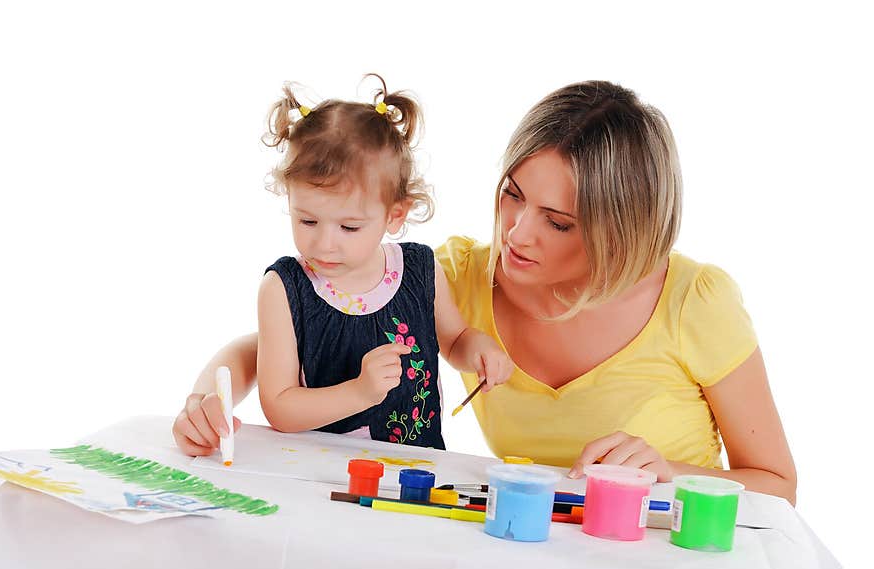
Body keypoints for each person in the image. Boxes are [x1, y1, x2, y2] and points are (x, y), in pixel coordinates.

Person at [174, 80, 797, 505]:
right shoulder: (459, 278)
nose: (517, 234)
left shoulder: (694, 301)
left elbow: (776, 484)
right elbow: (283, 339)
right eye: (512, 194)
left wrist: (668, 474)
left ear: (622, 229)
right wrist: (207, 397)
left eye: (558, 221)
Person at [172, 74, 513, 457]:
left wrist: (480, 349)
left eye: (349, 227)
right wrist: (359, 391)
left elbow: (454, 339)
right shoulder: (285, 288)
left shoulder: (420, 269)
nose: (323, 243)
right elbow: (280, 405)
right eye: (307, 221)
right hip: (321, 475)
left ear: (394, 215)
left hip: (417, 471)